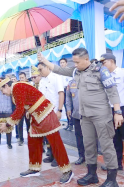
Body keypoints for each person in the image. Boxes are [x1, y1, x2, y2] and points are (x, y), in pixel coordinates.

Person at [38, 48, 123, 187]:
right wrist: (44, 60)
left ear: (86, 59)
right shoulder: (76, 71)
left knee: (107, 146)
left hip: (101, 115)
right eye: (74, 62)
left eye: (77, 62)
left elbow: (112, 91)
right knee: (88, 145)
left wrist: (118, 112)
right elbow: (59, 69)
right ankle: (91, 174)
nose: (75, 65)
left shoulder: (100, 70)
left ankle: (112, 179)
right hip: (85, 116)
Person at [0, 74, 74, 184]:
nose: (3, 93)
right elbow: (25, 104)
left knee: (55, 143)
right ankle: (34, 168)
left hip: (45, 113)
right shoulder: (16, 88)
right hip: (36, 114)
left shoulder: (17, 88)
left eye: (2, 90)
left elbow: (19, 110)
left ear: (6, 86)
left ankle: (67, 171)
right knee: (32, 141)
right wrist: (28, 111)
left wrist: (7, 124)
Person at [38, 62, 64, 167]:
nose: (39, 72)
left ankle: (59, 158)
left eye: (41, 69)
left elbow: (61, 93)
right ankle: (52, 155)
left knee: (55, 136)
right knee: (49, 137)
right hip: (45, 113)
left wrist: (60, 110)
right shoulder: (42, 81)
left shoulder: (56, 77)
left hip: (54, 111)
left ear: (47, 67)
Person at [100, 53, 124, 171]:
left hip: (122, 109)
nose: (102, 65)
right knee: (114, 138)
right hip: (109, 110)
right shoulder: (104, 76)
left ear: (111, 61)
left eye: (104, 63)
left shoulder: (122, 73)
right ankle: (117, 164)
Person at [66, 78, 85, 165]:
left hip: (88, 115)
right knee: (79, 137)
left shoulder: (87, 79)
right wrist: (68, 108)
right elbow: (68, 97)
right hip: (76, 114)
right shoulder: (71, 83)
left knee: (91, 138)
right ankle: (81, 156)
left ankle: (91, 157)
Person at [59, 58, 73, 131]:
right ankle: (69, 123)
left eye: (63, 62)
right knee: (66, 107)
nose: (62, 64)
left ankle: (73, 123)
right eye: (61, 63)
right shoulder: (59, 73)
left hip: (70, 90)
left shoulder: (69, 71)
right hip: (63, 91)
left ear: (66, 63)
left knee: (71, 107)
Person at [17, 72, 31, 146]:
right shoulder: (18, 87)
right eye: (20, 78)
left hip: (27, 109)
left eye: (22, 77)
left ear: (25, 78)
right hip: (20, 109)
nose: (21, 79)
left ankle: (30, 139)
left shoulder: (29, 86)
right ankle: (21, 139)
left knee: (29, 125)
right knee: (20, 125)